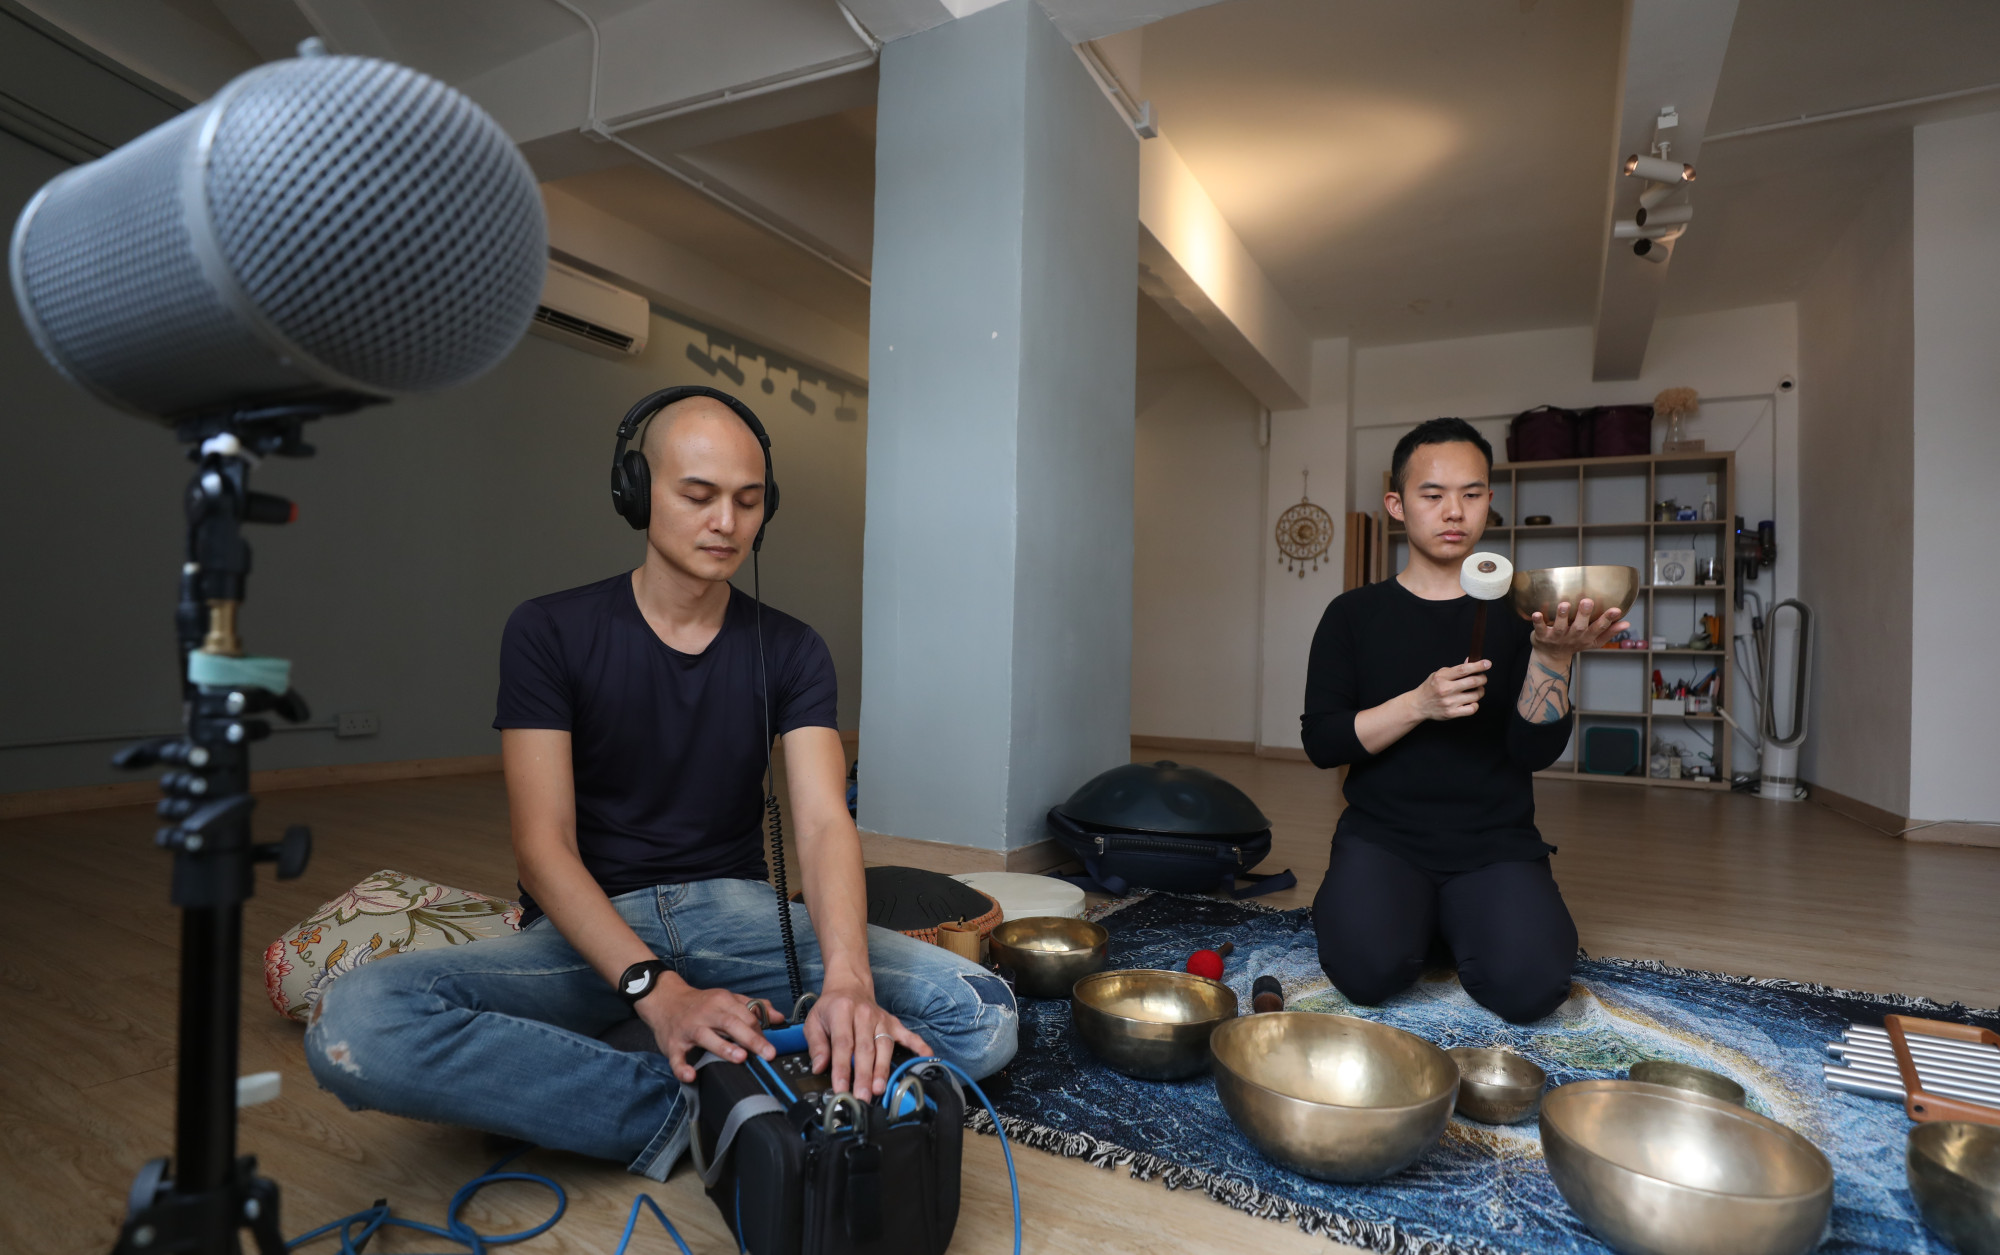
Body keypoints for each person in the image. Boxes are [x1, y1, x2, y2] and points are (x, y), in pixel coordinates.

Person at [305, 387, 1017, 1180]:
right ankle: (714, 1102)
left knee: (982, 1013)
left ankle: (604, 1082)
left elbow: (822, 823)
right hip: (590, 933)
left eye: (748, 500)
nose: (727, 522)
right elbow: (543, 845)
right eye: (698, 495)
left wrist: (849, 982)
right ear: (636, 492)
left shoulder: (793, 648)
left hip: (738, 915)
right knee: (356, 1022)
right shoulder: (547, 630)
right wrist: (656, 990)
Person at [1302, 418, 1626, 1023]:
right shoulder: (1353, 614)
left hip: (1495, 842)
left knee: (1529, 989)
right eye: (1432, 495)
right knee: (1365, 972)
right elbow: (1323, 742)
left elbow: (1534, 752)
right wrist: (1419, 704)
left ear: (1488, 502)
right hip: (1384, 836)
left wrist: (1554, 658)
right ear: (1397, 505)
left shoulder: (1524, 615)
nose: (1454, 511)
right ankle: (1418, 914)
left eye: (1471, 494)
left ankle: (1448, 915)